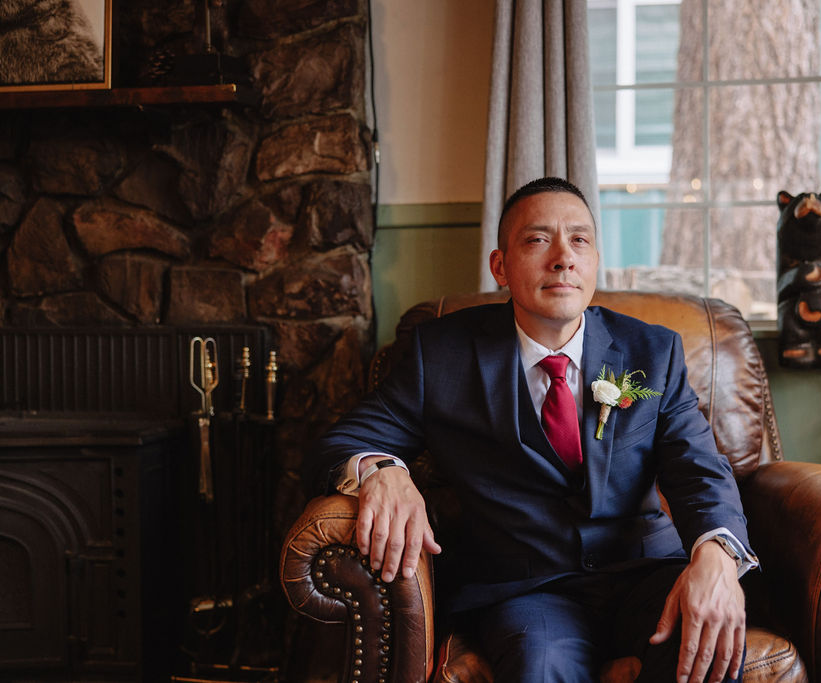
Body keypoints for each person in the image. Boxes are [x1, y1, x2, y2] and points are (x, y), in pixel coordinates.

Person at [312, 177, 757, 683]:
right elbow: (341, 441)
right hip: (529, 592)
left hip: (644, 573)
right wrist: (383, 470)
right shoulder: (440, 354)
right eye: (538, 239)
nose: (563, 257)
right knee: (540, 668)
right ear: (500, 266)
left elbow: (698, 466)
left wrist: (718, 553)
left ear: (594, 260)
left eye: (580, 240)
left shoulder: (652, 351)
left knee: (709, 642)